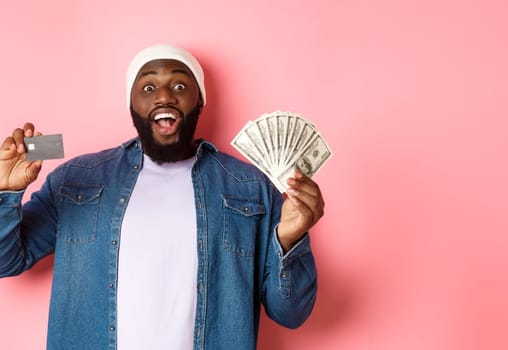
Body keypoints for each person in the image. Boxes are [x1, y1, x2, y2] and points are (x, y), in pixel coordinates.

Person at [0, 44, 324, 349]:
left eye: (180, 86)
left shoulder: (250, 187)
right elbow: (6, 261)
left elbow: (291, 314)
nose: (165, 96)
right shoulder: (76, 181)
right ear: (131, 104)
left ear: (200, 102)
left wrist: (290, 239)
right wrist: (7, 192)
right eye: (148, 87)